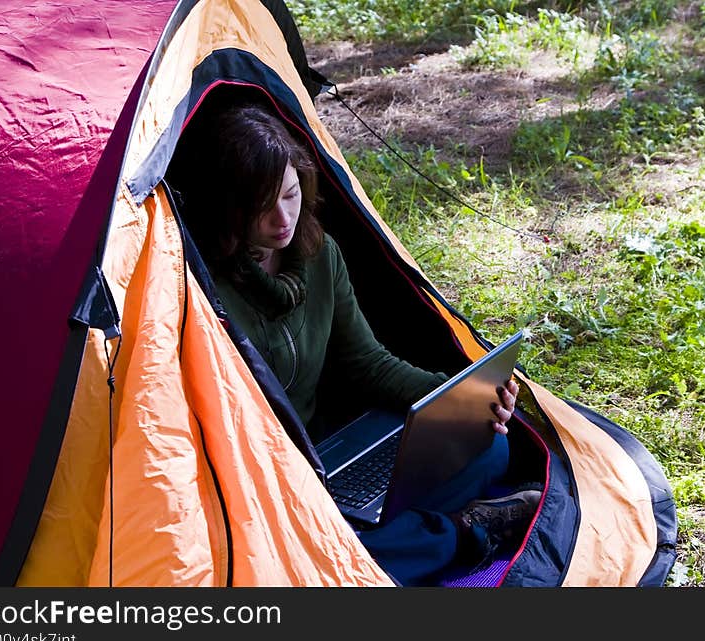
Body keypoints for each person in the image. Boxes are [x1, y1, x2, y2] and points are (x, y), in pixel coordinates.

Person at [179, 101, 542, 586]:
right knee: (302, 568)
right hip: (269, 479)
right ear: (226, 206)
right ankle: (464, 531)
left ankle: (399, 538)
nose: (283, 218)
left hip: (335, 453)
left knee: (488, 448)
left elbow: (369, 364)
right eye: (262, 207)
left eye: (290, 195)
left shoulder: (319, 254)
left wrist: (464, 398)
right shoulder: (199, 292)